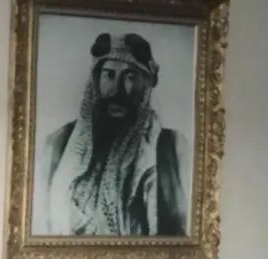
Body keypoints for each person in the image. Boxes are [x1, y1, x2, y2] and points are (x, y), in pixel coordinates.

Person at [34, 32, 191, 237]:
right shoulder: (57, 145)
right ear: (96, 80)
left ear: (145, 85)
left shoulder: (173, 149)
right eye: (109, 75)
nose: (117, 90)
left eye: (130, 77)